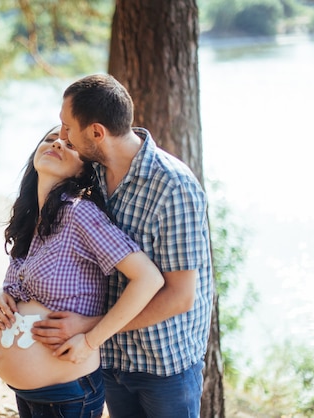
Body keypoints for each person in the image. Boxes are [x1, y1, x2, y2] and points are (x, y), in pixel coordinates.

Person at [31, 74, 214, 418]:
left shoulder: (173, 187)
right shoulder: (90, 176)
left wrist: (89, 330)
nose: (62, 136)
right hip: (110, 358)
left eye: (67, 127)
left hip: (163, 365)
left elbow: (180, 296)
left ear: (97, 132)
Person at [0, 126, 165, 418]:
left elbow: (148, 278)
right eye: (49, 139)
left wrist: (91, 339)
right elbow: (26, 284)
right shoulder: (30, 217)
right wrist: (0, 295)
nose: (57, 143)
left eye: (69, 145)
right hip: (28, 392)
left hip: (67, 396)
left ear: (83, 171)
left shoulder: (79, 212)